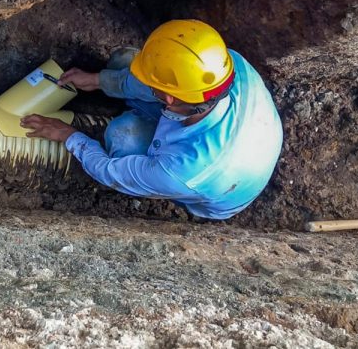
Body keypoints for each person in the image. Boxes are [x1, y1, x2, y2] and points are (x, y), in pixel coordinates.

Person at [20, 19, 282, 220]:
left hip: (217, 187)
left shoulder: (184, 172)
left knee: (122, 136)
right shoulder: (221, 64)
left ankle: (132, 130)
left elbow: (108, 172)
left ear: (168, 99)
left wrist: (69, 136)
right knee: (124, 62)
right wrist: (98, 80)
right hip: (225, 135)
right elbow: (153, 87)